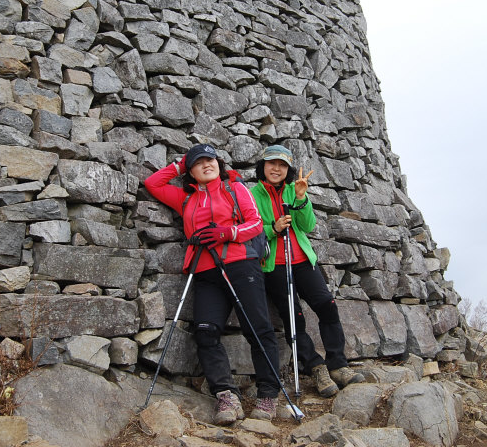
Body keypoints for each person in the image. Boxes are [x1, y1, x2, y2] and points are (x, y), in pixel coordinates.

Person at [144, 144, 282, 424]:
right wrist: (182, 163)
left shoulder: (235, 189)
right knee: (206, 333)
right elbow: (152, 183)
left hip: (242, 265)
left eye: (211, 159)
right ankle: (225, 395)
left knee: (258, 330)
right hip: (205, 272)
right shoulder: (185, 198)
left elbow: (255, 224)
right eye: (199, 162)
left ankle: (268, 395)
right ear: (191, 172)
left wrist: (227, 232)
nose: (207, 164)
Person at [249, 144, 365, 397]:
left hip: (302, 261)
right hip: (274, 266)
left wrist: (301, 198)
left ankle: (338, 364)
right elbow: (251, 231)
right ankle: (315, 367)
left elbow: (308, 225)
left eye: (282, 165)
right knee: (294, 318)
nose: (276, 169)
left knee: (326, 305)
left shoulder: (294, 189)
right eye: (272, 164)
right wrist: (274, 228)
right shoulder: (252, 194)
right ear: (263, 166)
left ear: (288, 170)